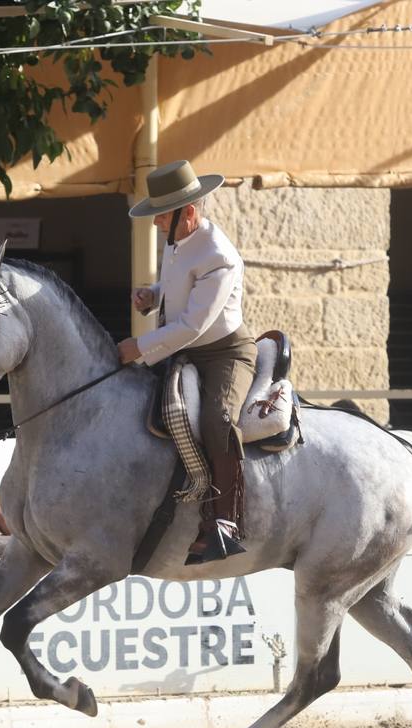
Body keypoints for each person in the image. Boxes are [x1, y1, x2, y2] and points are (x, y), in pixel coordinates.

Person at [118, 159, 257, 565]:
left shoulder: (220, 256)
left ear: (189, 212)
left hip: (226, 353)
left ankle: (225, 523)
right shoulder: (179, 238)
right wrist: (155, 295)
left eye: (162, 216)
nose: (158, 224)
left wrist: (140, 346)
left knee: (217, 419)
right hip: (186, 346)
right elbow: (183, 288)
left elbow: (195, 324)